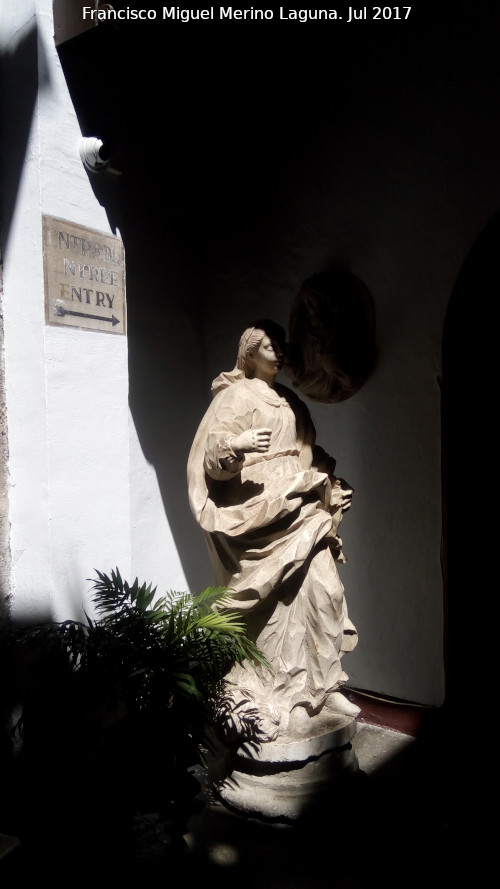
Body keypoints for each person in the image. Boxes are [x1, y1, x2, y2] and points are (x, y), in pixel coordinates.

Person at [187, 320, 358, 744]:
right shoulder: (234, 396)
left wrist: (330, 485)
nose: (278, 351)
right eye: (268, 344)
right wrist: (239, 445)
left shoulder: (291, 401)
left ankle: (324, 686)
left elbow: (309, 453)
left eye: (281, 345)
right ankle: (280, 694)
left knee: (326, 589)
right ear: (248, 352)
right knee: (276, 606)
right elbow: (212, 456)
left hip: (299, 500)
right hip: (257, 503)